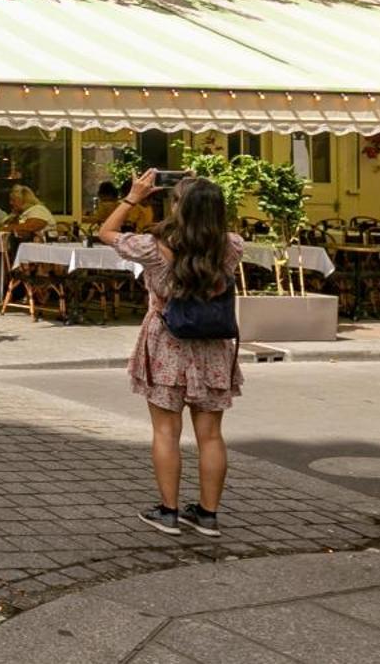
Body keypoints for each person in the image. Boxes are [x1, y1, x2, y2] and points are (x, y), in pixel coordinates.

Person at [99, 171, 243, 538]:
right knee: (210, 435)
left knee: (166, 431)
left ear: (180, 208)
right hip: (212, 348)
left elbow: (106, 232)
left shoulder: (153, 247)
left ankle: (168, 512)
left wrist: (133, 197)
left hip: (167, 343)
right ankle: (208, 516)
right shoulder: (231, 246)